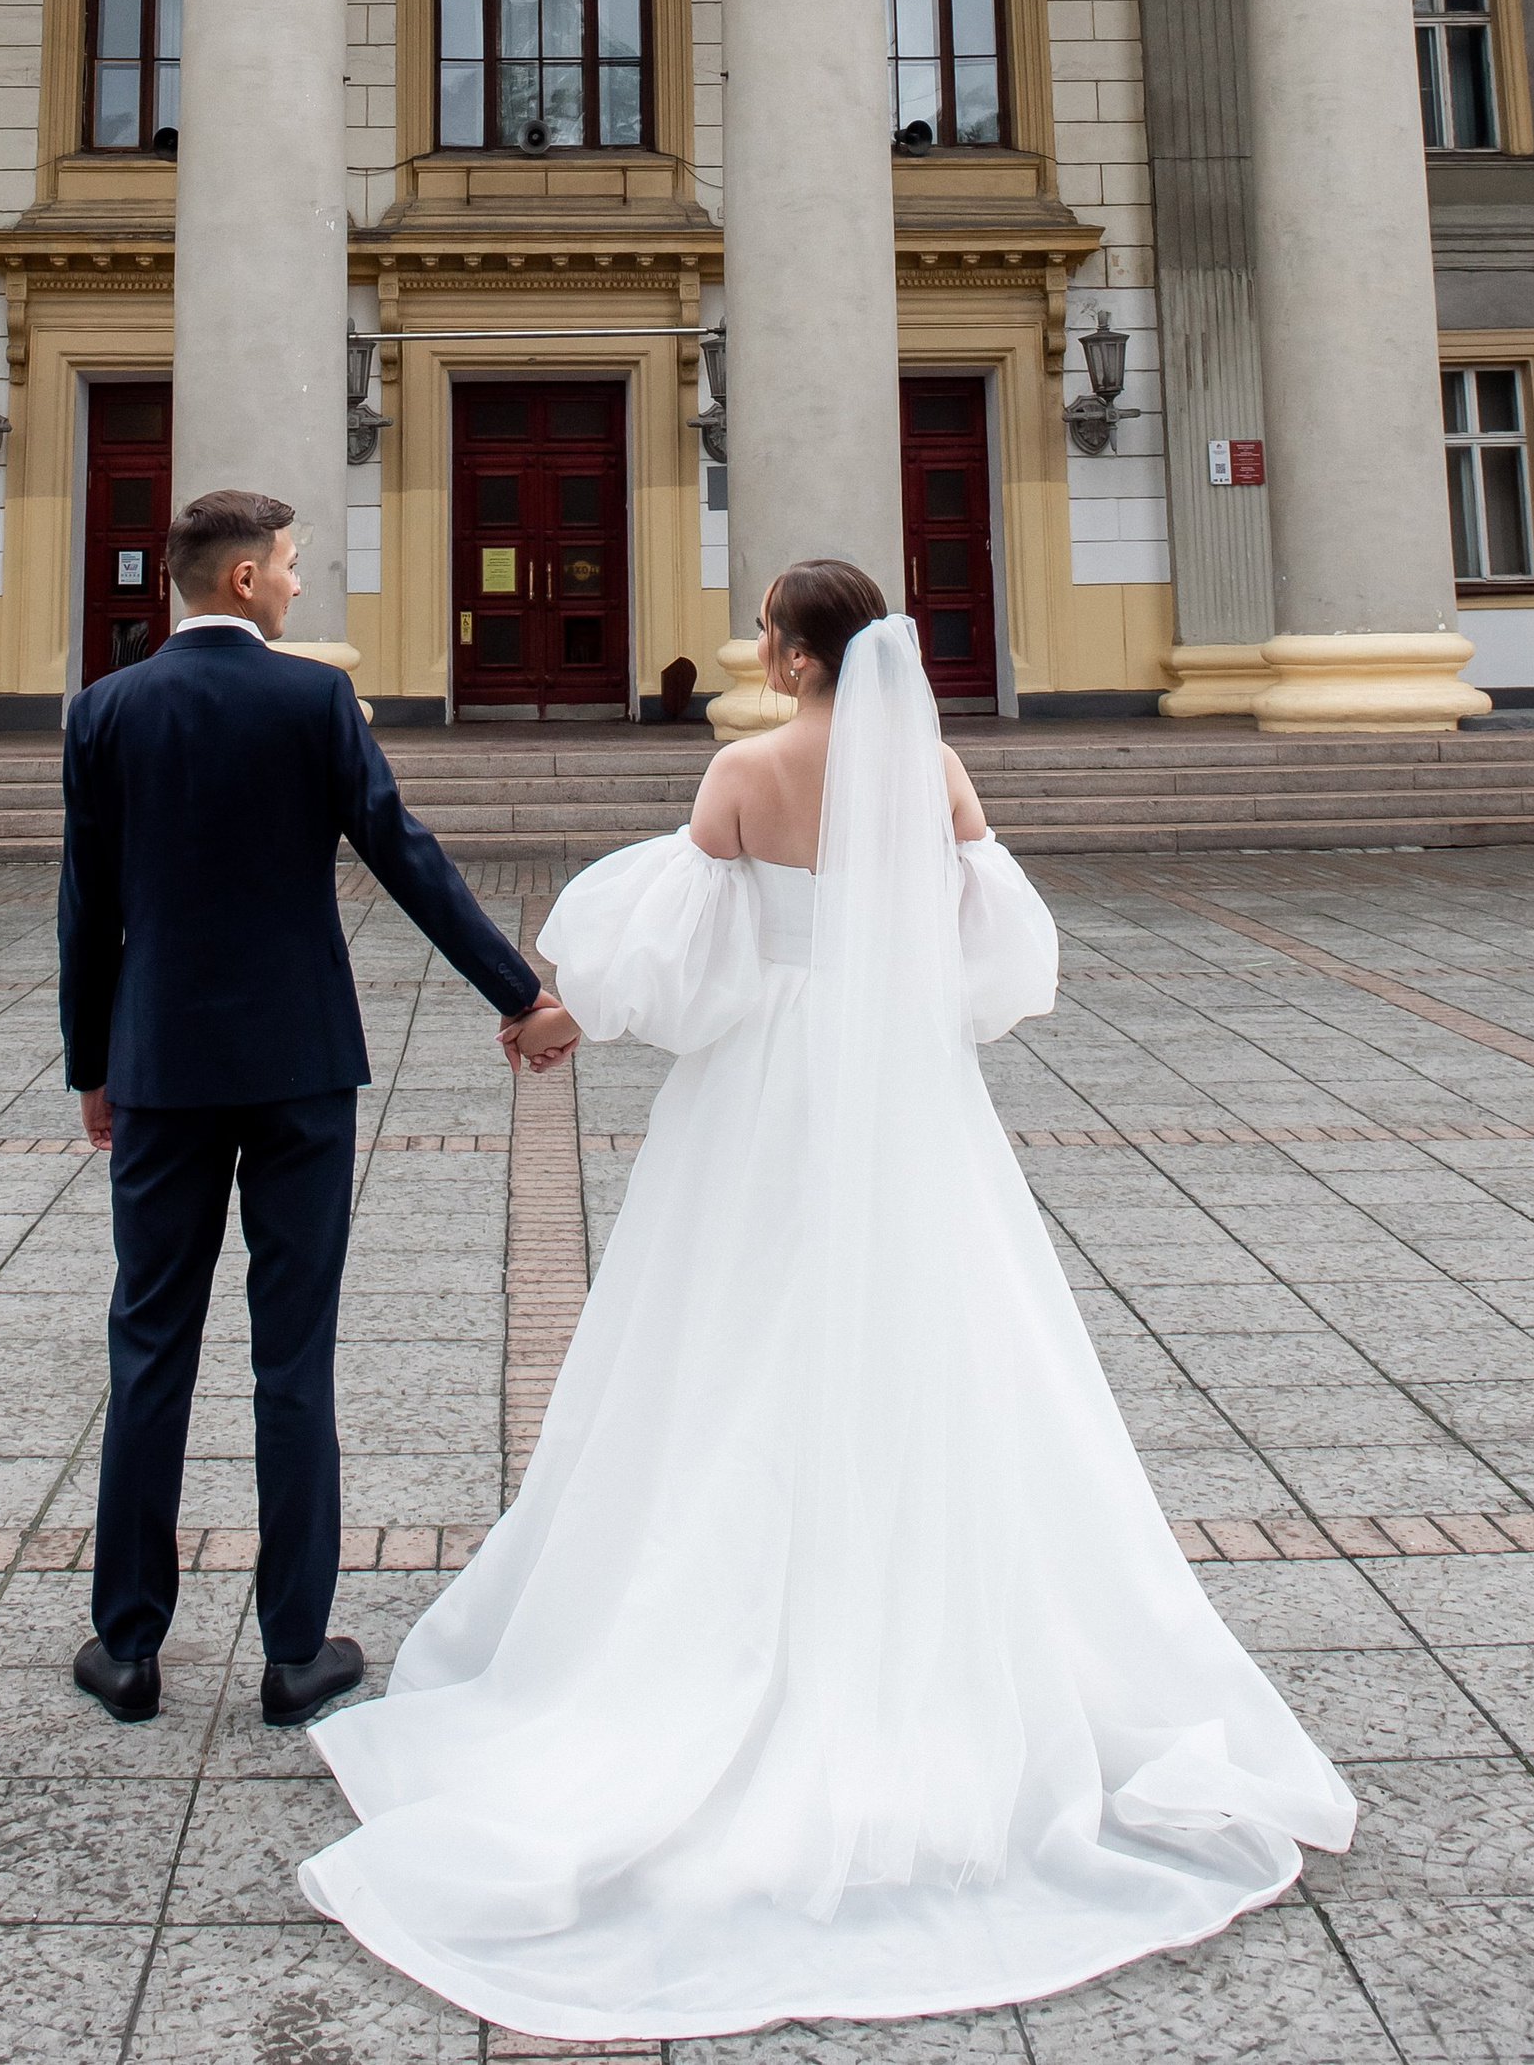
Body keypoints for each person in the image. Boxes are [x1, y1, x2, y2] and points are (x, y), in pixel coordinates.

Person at [299, 560, 1355, 2029]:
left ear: (797, 658)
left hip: (767, 1088)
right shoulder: (935, 770)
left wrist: (561, 1011)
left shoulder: (745, 770)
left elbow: (677, 962)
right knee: (938, 1326)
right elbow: (1003, 954)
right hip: (906, 1085)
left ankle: (711, 1611)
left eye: (767, 636)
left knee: (726, 1332)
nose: (761, 651)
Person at [58, 485, 579, 1732]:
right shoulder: (312, 699)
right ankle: (295, 1652)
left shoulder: (105, 710)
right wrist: (520, 992)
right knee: (292, 1356)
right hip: (298, 1066)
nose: (298, 582)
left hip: (160, 1068)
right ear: (243, 579)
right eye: (289, 564)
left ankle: (127, 1647)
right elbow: (403, 852)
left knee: (149, 1346)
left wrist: (92, 1064)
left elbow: (87, 905)